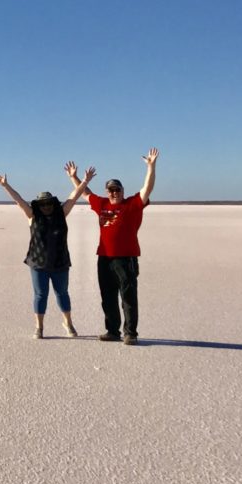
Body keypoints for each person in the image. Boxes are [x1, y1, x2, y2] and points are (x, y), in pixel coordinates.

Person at [67, 148, 159, 345]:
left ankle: (130, 333)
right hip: (105, 258)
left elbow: (147, 188)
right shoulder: (101, 204)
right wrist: (74, 177)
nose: (114, 193)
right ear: (107, 192)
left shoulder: (133, 204)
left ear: (123, 191)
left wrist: (151, 167)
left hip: (126, 259)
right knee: (107, 297)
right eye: (111, 190)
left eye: (117, 190)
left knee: (128, 297)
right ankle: (112, 331)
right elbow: (85, 194)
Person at [0, 165, 95, 339]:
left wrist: (83, 180)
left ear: (53, 204)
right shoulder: (32, 215)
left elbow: (74, 196)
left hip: (60, 263)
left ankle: (68, 323)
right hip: (38, 263)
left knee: (62, 293)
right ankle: (39, 327)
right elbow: (19, 201)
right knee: (40, 295)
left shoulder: (62, 213)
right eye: (43, 204)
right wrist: (5, 186)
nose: (46, 206)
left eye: (49, 203)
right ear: (38, 205)